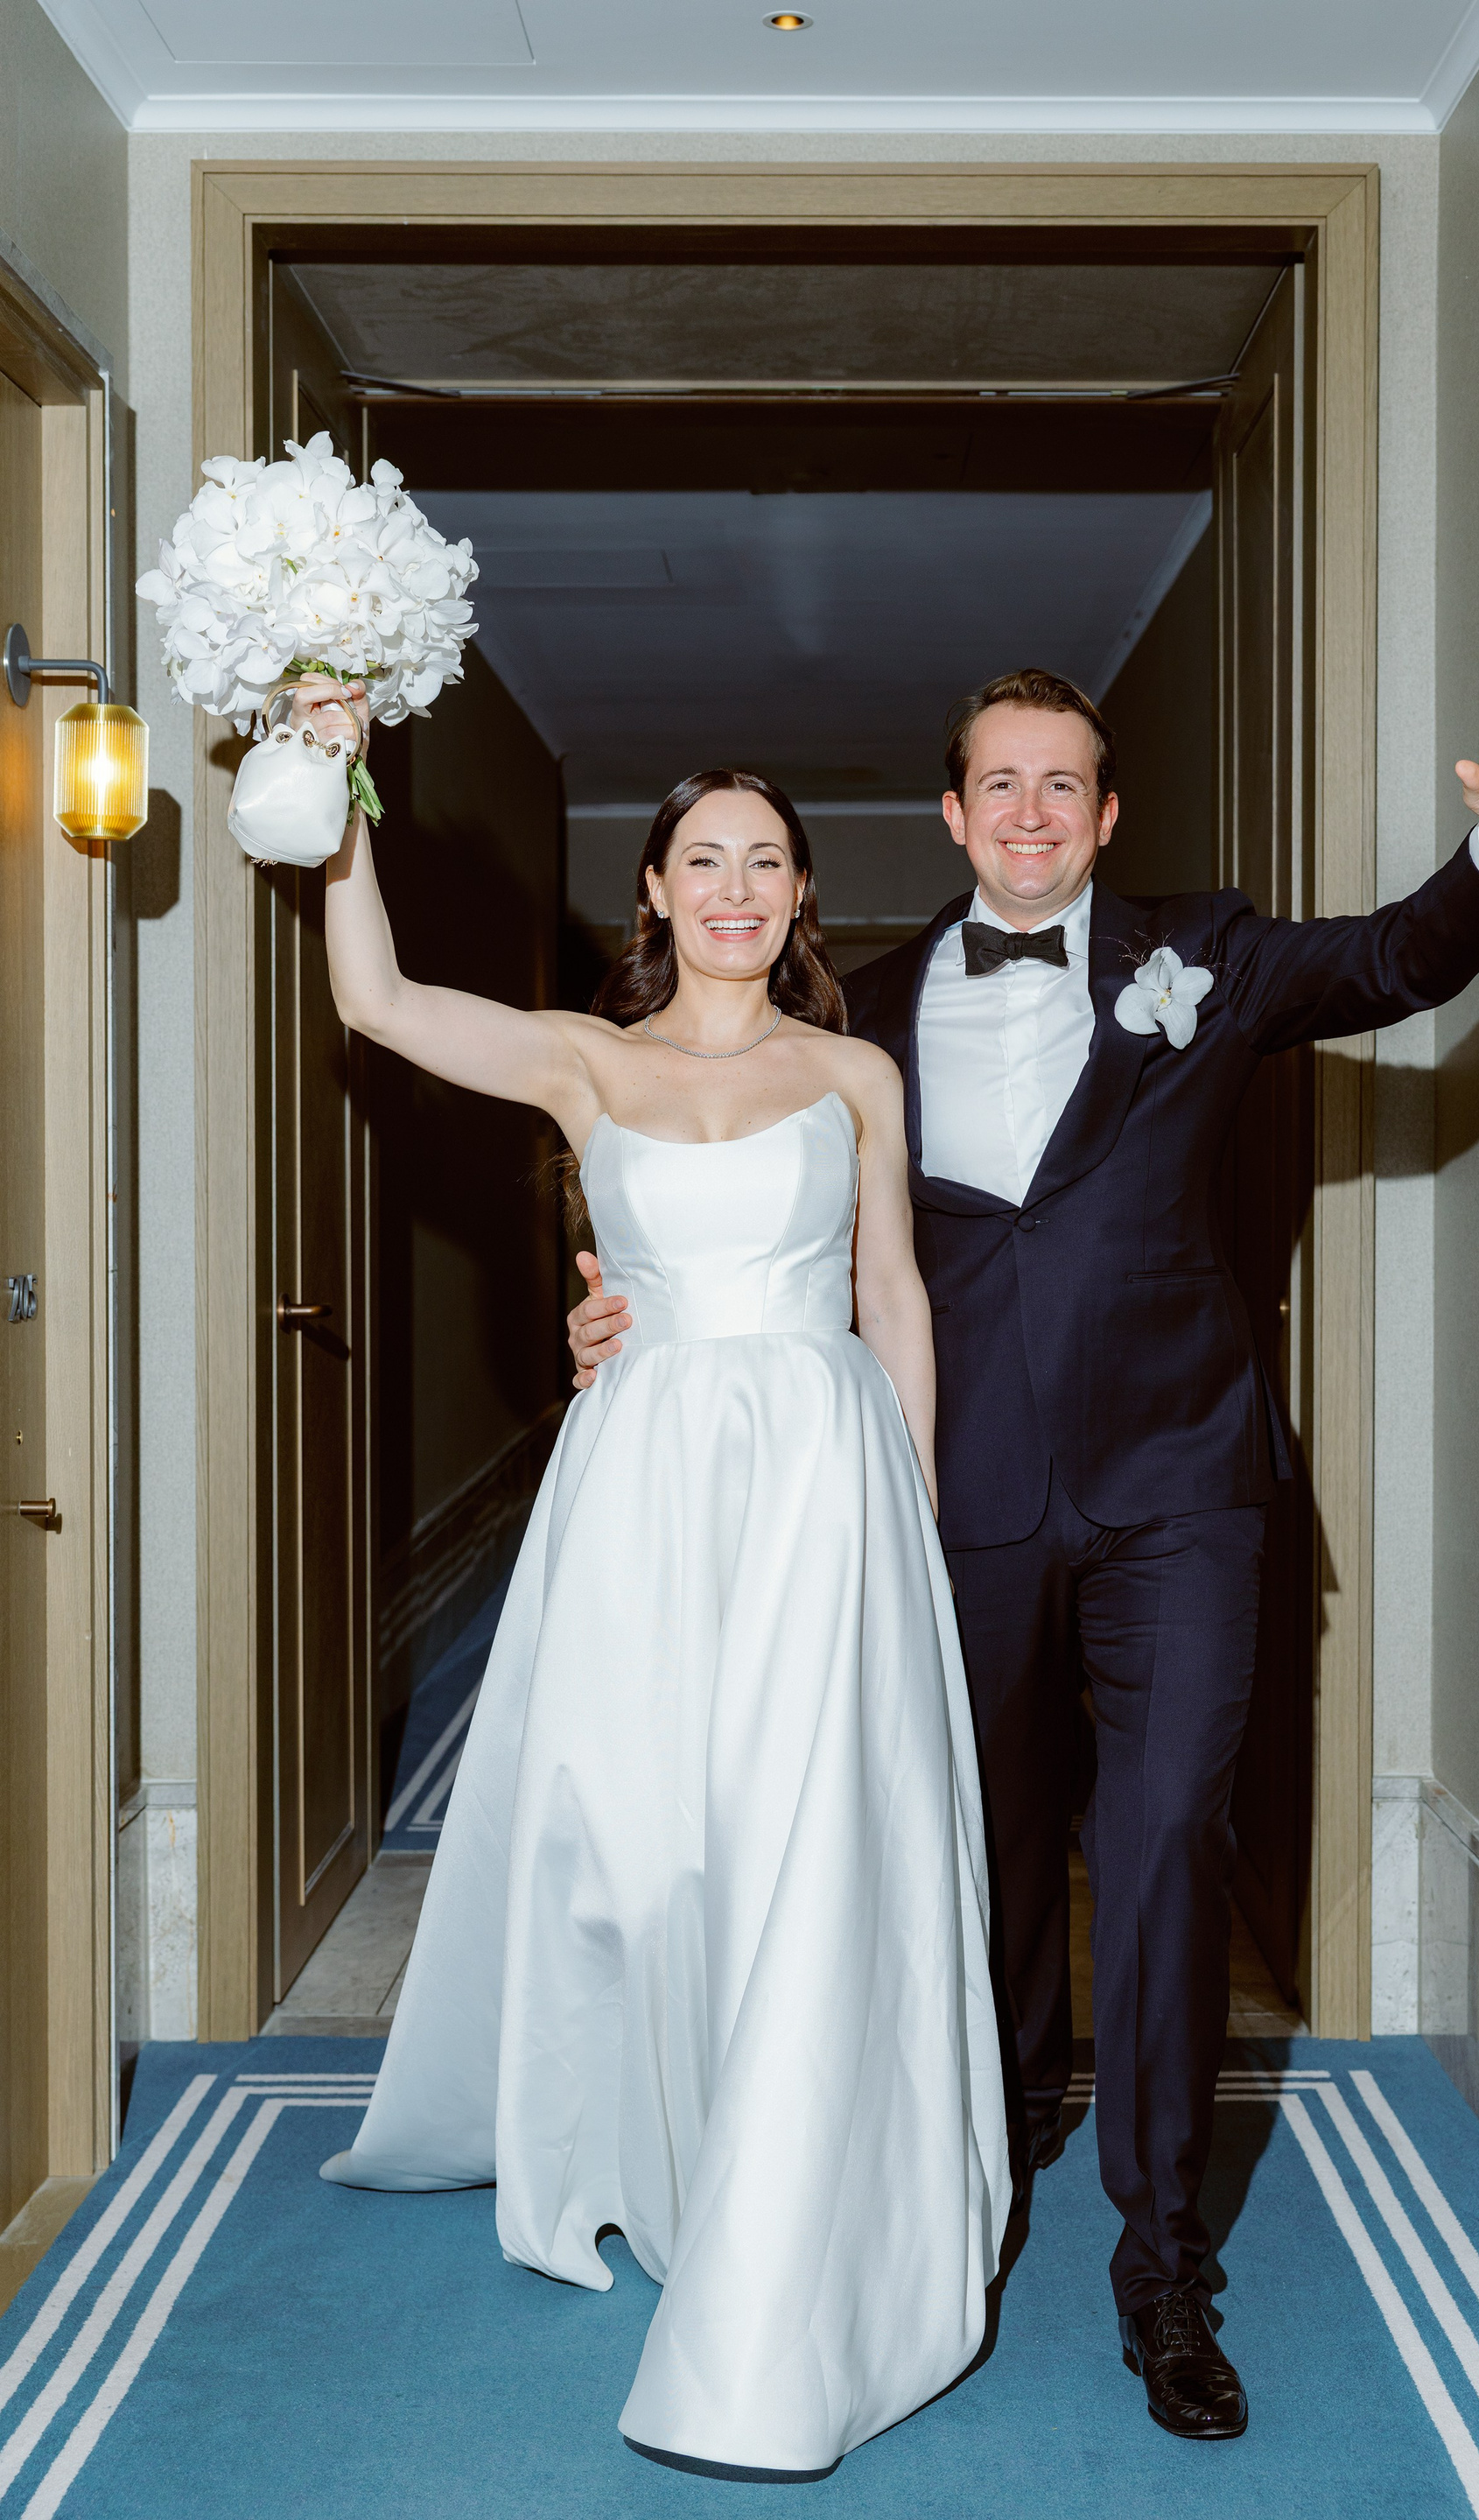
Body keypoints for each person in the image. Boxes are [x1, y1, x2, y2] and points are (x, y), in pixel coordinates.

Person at [570, 666, 1479, 2445]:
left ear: (1106, 818)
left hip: (1182, 1490)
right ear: (953, 817)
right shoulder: (864, 1014)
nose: (1032, 812)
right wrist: (617, 1318)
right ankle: (992, 2130)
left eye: (1065, 785)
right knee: (976, 1846)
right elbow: (746, 1221)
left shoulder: (1208, 954)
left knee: (1167, 1841)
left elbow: (1393, 962)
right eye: (1001, 784)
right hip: (948, 1493)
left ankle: (1164, 2260)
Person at [298, 681, 1009, 2482]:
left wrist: (915, 1517)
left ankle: (791, 2189)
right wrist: (334, 779)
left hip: (822, 1486)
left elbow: (895, 1297)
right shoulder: (583, 1061)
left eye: (767, 861)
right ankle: (649, 2134)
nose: (737, 888)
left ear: (801, 893)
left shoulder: (853, 1075)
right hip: (641, 1485)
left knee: (792, 1836)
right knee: (639, 1834)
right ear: (656, 889)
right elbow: (375, 1000)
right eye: (706, 859)